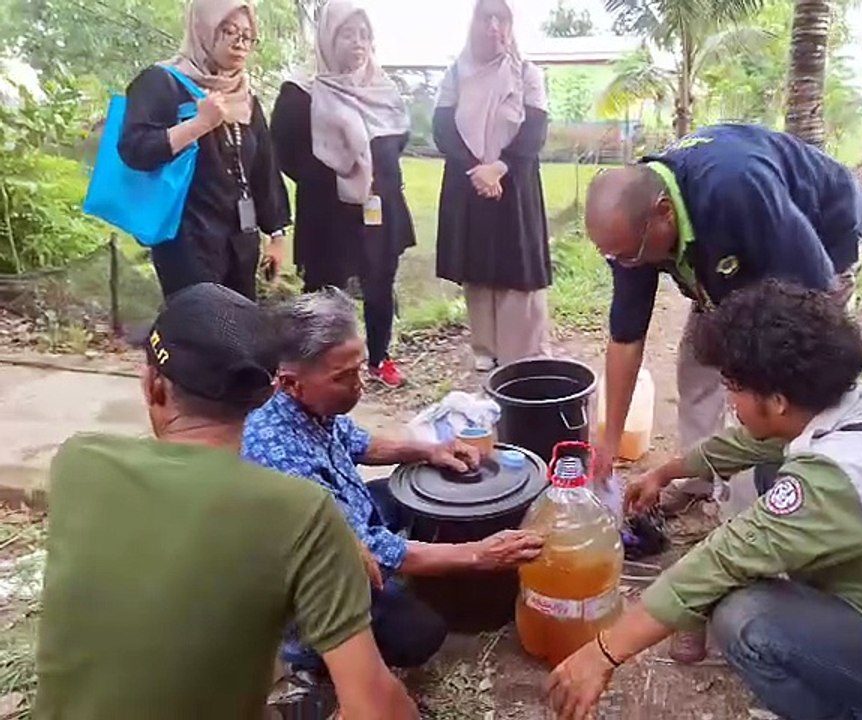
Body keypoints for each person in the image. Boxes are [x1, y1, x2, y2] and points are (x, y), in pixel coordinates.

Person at [546, 281, 862, 720]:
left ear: (779, 398)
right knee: (771, 470)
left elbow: (722, 559)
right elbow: (753, 443)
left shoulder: (840, 476)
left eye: (733, 388)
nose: (729, 400)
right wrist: (667, 472)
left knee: (746, 620)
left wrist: (602, 653)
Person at [35, 284, 417, 720]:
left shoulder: (78, 462)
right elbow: (376, 709)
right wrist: (335, 538)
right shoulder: (300, 512)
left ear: (151, 385)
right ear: (269, 394)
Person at [242, 287, 545, 673]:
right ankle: (314, 659)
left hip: (347, 526)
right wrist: (479, 555)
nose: (359, 385)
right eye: (343, 377)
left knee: (401, 495)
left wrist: (430, 451)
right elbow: (367, 547)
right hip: (320, 580)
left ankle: (412, 573)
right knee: (422, 632)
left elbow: (359, 443)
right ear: (290, 383)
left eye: (360, 368)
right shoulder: (276, 453)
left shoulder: (310, 404)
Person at [587, 123, 862, 511]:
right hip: (727, 250)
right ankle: (697, 480)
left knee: (777, 384)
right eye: (614, 257)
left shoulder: (736, 188)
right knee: (697, 365)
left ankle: (790, 490)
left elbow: (812, 297)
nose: (624, 265)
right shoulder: (630, 231)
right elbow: (626, 338)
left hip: (818, 238)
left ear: (664, 213)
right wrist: (608, 442)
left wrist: (756, 378)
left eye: (628, 256)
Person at [271, 0, 416, 389]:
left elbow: (399, 137)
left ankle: (379, 358)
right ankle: (322, 363)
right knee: (324, 286)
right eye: (348, 34)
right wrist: (335, 177)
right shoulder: (300, 93)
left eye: (365, 34)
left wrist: (371, 174)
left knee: (380, 281)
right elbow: (284, 152)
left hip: (378, 204)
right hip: (327, 210)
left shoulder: (382, 89)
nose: (358, 43)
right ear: (328, 38)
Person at [119, 0, 290, 301]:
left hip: (240, 242)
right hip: (186, 239)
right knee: (198, 335)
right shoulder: (162, 82)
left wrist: (276, 235)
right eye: (229, 31)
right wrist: (199, 124)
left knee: (239, 336)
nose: (240, 44)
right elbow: (135, 149)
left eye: (247, 36)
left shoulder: (245, 98)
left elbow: (264, 168)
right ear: (204, 29)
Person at [433, 0, 552, 372]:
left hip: (514, 182)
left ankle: (522, 353)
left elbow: (535, 129)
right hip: (470, 183)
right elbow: (443, 129)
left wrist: (499, 168)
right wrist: (477, 170)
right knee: (478, 264)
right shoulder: (456, 73)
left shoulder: (526, 73)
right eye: (487, 18)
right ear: (474, 24)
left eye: (502, 19)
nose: (494, 27)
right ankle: (485, 347)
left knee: (517, 265)